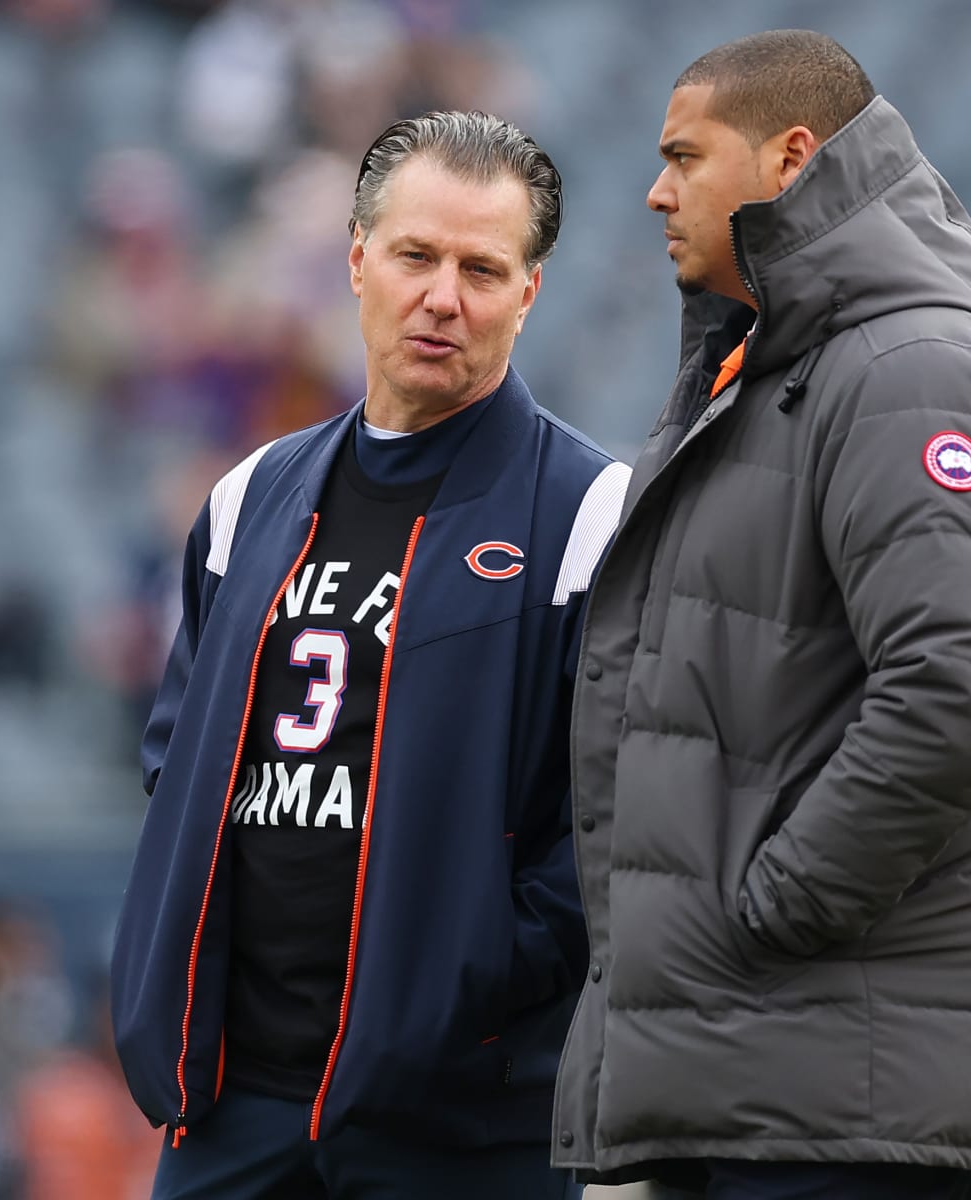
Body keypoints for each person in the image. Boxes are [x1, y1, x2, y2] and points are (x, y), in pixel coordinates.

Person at [553, 30, 971, 1198]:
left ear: (789, 159)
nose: (654, 190)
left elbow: (956, 695)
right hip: (760, 1081)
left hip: (842, 1098)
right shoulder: (777, 368)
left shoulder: (913, 366)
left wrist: (773, 910)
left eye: (685, 156)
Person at [111, 110, 625, 1200]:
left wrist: (469, 985)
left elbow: (619, 826)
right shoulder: (249, 495)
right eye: (415, 256)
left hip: (462, 1125)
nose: (444, 296)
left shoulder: (590, 512)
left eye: (483, 269)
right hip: (233, 1103)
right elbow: (178, 761)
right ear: (356, 263)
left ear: (528, 294)